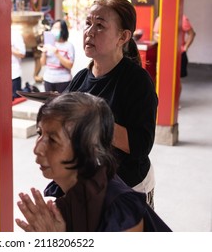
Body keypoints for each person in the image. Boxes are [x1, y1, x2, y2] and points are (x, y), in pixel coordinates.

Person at [49, 0, 157, 208]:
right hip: (86, 181)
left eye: (100, 26)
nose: (89, 32)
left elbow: (141, 145)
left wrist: (92, 120)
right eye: (88, 23)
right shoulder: (81, 77)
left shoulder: (137, 81)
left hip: (126, 185)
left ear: (123, 37)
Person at [15, 92, 171, 232]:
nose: (37, 149)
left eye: (53, 140)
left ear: (87, 148)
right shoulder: (66, 190)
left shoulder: (119, 209)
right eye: (39, 133)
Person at [39, 19, 75, 93]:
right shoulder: (48, 44)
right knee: (49, 103)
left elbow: (70, 65)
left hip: (63, 80)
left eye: (57, 28)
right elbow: (42, 63)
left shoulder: (68, 46)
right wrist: (44, 53)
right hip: (48, 79)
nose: (54, 30)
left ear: (63, 30)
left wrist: (57, 53)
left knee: (62, 103)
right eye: (53, 28)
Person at [11, 28, 26, 100]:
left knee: (15, 96)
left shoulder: (15, 34)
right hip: (0, 73)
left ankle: (28, 89)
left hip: (14, 74)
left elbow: (22, 54)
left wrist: (10, 47)